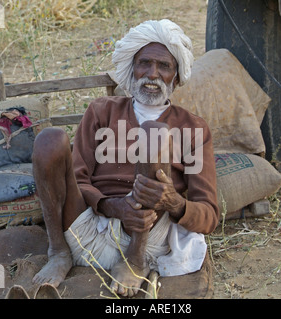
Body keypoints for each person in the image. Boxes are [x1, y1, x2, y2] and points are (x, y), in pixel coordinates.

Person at [31, 19, 219, 297]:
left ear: (176, 78)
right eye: (144, 63)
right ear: (132, 69)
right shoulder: (101, 111)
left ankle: (133, 262)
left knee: (155, 134)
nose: (152, 74)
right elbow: (80, 181)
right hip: (89, 230)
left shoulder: (193, 128)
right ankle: (58, 252)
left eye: (164, 66)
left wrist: (175, 202)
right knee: (49, 139)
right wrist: (113, 206)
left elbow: (209, 215)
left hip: (150, 239)